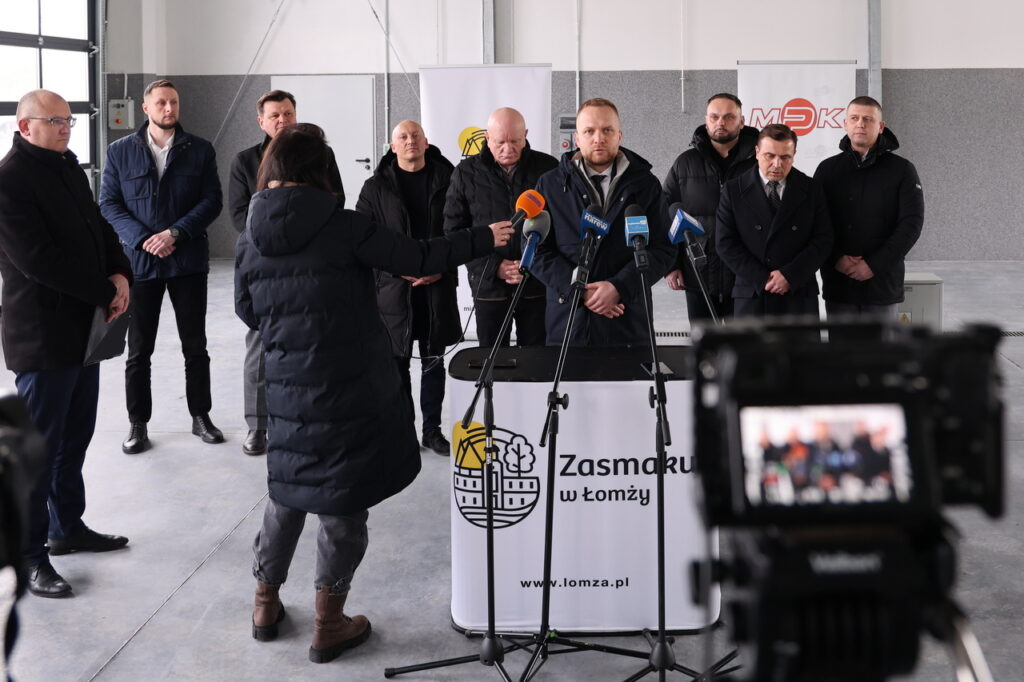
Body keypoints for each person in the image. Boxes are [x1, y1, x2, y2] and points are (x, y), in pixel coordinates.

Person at [235, 123, 511, 663]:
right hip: (346, 384)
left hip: (287, 386)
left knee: (287, 490)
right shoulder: (342, 226)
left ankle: (264, 604)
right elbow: (419, 258)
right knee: (341, 501)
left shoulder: (250, 235)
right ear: (320, 170)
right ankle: (328, 623)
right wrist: (485, 237)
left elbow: (248, 310)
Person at [0, 90, 132, 598]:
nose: (64, 128)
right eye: (54, 121)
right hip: (42, 336)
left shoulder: (67, 167)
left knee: (73, 439)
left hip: (83, 331)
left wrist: (119, 271)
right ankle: (30, 557)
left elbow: (98, 225)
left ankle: (66, 528)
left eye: (68, 120)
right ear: (24, 126)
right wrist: (104, 289)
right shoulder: (10, 181)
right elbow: (38, 260)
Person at [100, 79, 224, 454]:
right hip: (140, 264)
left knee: (195, 346)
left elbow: (212, 201)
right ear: (146, 108)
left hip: (187, 260)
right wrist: (143, 239)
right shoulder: (120, 152)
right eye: (161, 103)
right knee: (139, 350)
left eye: (174, 102)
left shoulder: (199, 150)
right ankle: (138, 423)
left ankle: (201, 416)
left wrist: (175, 233)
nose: (169, 109)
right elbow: (109, 204)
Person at [228, 89, 345, 456]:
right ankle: (258, 427)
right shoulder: (245, 161)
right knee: (259, 346)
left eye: (288, 113)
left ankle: (311, 420)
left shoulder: (320, 154)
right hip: (266, 262)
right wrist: (274, 237)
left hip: (312, 261)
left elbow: (337, 199)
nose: (283, 120)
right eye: (275, 115)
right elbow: (238, 214)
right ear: (261, 121)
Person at [532, 98, 675, 346]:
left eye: (607, 130)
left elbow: (663, 249)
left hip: (628, 321)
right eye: (589, 131)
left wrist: (619, 287)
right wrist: (580, 291)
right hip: (570, 324)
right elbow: (535, 250)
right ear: (577, 138)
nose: (599, 138)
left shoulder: (646, 184)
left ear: (619, 135)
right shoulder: (550, 185)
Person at [355, 120, 460, 456]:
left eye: (416, 135)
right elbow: (363, 238)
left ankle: (432, 431)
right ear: (393, 146)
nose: (410, 140)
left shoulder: (449, 179)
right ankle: (403, 432)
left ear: (426, 142)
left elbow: (462, 230)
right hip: (393, 291)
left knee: (433, 362)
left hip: (436, 289)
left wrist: (441, 268)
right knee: (396, 366)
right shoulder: (375, 187)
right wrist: (397, 266)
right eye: (403, 137)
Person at [443, 107, 557, 347]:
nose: (508, 149)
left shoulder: (548, 168)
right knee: (492, 360)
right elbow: (454, 232)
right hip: (488, 286)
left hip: (537, 283)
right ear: (487, 138)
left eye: (515, 141)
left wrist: (534, 263)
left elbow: (560, 227)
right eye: (500, 142)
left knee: (536, 360)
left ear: (526, 135)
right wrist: (494, 266)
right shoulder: (465, 173)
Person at [813, 96, 925, 334]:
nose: (860, 124)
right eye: (854, 118)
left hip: (882, 283)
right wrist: (837, 259)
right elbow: (817, 223)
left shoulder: (902, 170)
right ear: (845, 123)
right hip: (839, 282)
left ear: (881, 126)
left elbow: (911, 224)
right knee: (841, 354)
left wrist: (874, 265)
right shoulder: (827, 170)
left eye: (868, 119)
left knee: (881, 354)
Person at [715, 124, 833, 318]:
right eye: (769, 156)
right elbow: (725, 243)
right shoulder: (733, 190)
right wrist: (763, 278)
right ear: (757, 152)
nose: (777, 164)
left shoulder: (811, 189)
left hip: (798, 294)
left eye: (785, 157)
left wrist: (790, 275)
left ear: (794, 155)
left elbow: (823, 240)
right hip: (753, 294)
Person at [662, 93, 759, 322]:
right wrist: (671, 265)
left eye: (728, 117)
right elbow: (665, 215)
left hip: (745, 276)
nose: (720, 123)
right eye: (714, 117)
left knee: (745, 343)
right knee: (704, 342)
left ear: (741, 121)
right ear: (706, 120)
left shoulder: (759, 162)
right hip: (698, 274)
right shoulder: (685, 163)